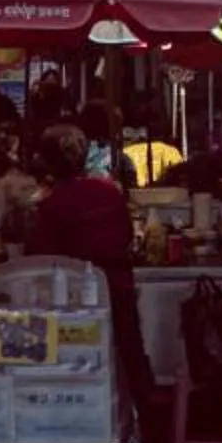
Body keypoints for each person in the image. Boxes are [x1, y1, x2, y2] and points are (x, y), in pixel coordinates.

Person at [25, 121, 154, 419]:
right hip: (119, 291)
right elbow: (125, 237)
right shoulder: (109, 193)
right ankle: (143, 418)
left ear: (47, 162)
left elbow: (40, 259)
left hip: (76, 303)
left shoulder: (52, 206)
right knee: (130, 357)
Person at [79, 102, 139, 189]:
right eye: (118, 126)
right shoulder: (121, 159)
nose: (121, 132)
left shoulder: (74, 157)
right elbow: (132, 191)